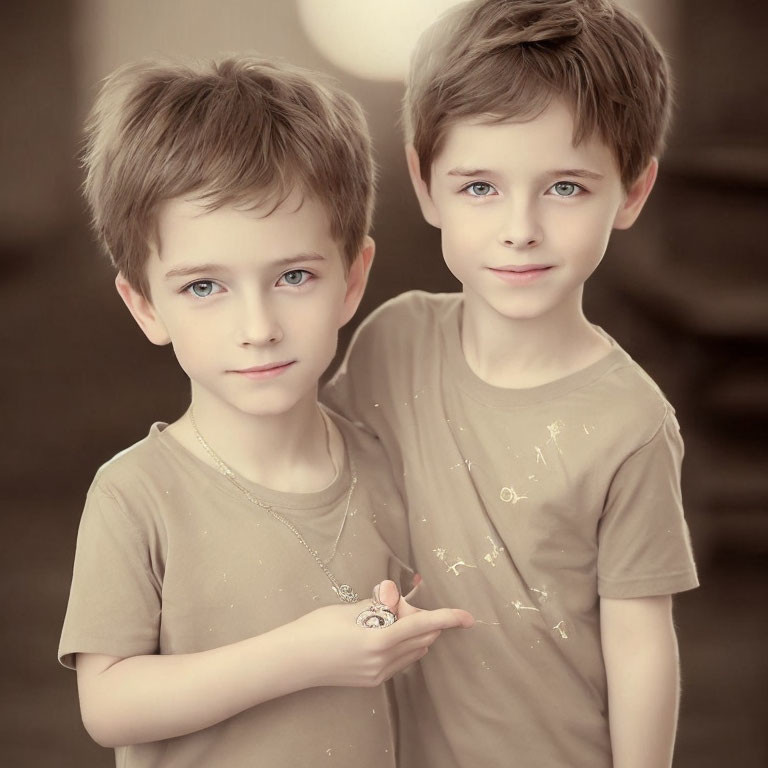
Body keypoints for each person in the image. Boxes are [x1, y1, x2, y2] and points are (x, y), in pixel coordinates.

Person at [58, 55, 473, 768]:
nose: (258, 326)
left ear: (352, 280)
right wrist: (304, 654)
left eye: (293, 276)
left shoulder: (383, 465)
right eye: (204, 288)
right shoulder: (135, 495)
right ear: (145, 305)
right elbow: (110, 705)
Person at [323, 1, 699, 766]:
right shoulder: (391, 345)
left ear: (631, 191)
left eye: (565, 188)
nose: (520, 227)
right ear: (427, 187)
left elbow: (639, 641)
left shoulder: (630, 422)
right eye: (480, 188)